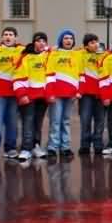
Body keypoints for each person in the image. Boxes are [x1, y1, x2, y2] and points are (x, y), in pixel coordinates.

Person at [0, 26, 24, 161]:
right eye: (6, 34)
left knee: (12, 123)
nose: (8, 37)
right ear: (2, 37)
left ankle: (10, 149)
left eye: (11, 34)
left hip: (14, 93)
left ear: (16, 38)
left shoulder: (22, 50)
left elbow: (41, 51)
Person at [44, 29, 82, 160]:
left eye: (71, 38)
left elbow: (80, 74)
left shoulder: (77, 54)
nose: (68, 40)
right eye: (65, 38)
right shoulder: (54, 53)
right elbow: (49, 74)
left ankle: (65, 147)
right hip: (56, 94)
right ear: (61, 40)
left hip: (71, 94)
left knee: (66, 121)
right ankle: (52, 147)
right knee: (55, 121)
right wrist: (50, 93)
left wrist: (78, 91)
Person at [15, 32, 49, 162]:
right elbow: (18, 76)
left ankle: (36, 146)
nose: (41, 43)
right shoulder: (25, 57)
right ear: (34, 42)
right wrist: (22, 94)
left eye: (44, 41)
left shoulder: (48, 56)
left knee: (38, 122)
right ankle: (25, 148)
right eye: (39, 41)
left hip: (43, 96)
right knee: (28, 121)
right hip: (28, 96)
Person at [78, 33, 108, 156]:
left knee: (100, 121)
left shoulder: (104, 55)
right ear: (86, 45)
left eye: (96, 41)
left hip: (100, 93)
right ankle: (84, 145)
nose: (95, 44)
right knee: (85, 120)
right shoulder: (80, 54)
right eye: (92, 42)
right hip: (86, 94)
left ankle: (98, 144)